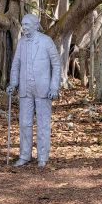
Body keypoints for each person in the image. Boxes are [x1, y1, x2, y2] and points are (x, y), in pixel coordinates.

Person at [6, 14, 61, 168]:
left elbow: (56, 65)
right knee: (24, 123)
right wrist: (14, 83)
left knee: (43, 124)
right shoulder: (22, 43)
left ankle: (42, 157)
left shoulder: (46, 41)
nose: (24, 27)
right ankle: (25, 155)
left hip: (43, 89)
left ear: (36, 25)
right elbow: (16, 64)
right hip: (25, 89)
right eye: (23, 24)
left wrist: (54, 87)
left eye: (27, 24)